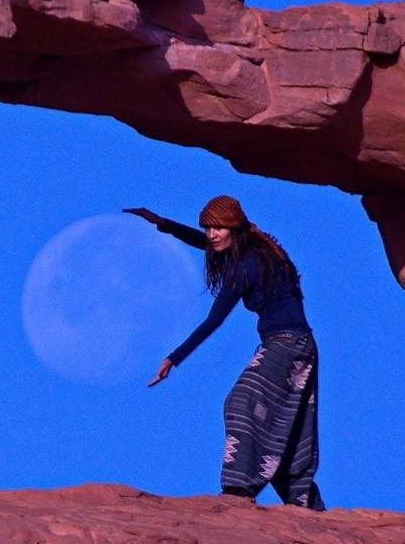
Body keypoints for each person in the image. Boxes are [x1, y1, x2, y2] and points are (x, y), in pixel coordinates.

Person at [124, 197, 325, 510]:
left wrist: (174, 358)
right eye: (208, 228)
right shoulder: (252, 249)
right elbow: (206, 242)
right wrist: (164, 224)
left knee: (240, 402)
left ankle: (238, 490)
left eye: (218, 227)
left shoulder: (246, 265)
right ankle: (306, 505)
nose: (212, 234)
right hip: (296, 346)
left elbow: (214, 320)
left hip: (288, 346)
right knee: (287, 428)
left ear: (234, 228)